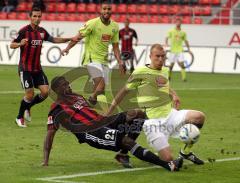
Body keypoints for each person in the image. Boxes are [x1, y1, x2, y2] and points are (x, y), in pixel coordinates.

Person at [42, 76, 183, 172]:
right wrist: (46, 160)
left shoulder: (76, 96)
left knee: (138, 114)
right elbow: (50, 134)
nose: (68, 86)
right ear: (56, 90)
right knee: (126, 141)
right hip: (91, 132)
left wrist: (95, 95)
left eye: (68, 83)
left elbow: (88, 107)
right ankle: (168, 165)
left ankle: (122, 154)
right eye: (64, 85)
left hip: (103, 121)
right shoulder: (56, 110)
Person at [106, 44, 205, 165]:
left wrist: (173, 94)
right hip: (152, 122)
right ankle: (151, 153)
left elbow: (162, 84)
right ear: (150, 56)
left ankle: (185, 152)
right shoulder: (140, 72)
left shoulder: (165, 70)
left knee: (199, 117)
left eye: (163, 56)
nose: (160, 59)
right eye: (157, 56)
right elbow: (123, 92)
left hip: (171, 115)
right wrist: (109, 111)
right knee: (168, 159)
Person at [10, 7, 73, 127]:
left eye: (39, 16)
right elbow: (11, 45)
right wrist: (19, 43)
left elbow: (54, 39)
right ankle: (19, 117)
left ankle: (28, 106)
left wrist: (70, 39)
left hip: (37, 69)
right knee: (30, 94)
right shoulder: (24, 31)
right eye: (35, 16)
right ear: (30, 17)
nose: (37, 19)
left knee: (45, 92)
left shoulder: (42, 32)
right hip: (25, 68)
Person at [61, 1, 126, 106]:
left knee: (101, 90)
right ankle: (89, 100)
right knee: (101, 84)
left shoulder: (115, 26)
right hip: (91, 59)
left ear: (112, 10)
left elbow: (115, 46)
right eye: (104, 9)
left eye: (109, 9)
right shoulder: (92, 23)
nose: (106, 11)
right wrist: (68, 48)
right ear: (100, 10)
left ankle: (92, 109)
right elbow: (78, 36)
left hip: (103, 60)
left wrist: (120, 61)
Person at [165, 17, 192, 82]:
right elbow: (166, 38)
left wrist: (189, 49)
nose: (178, 23)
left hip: (180, 50)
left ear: (181, 23)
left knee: (182, 64)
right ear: (175, 23)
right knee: (171, 65)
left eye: (179, 22)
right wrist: (166, 44)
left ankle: (184, 78)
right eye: (177, 22)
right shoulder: (171, 31)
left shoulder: (183, 32)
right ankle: (169, 77)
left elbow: (186, 41)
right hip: (172, 51)